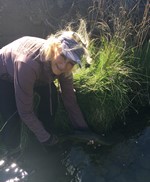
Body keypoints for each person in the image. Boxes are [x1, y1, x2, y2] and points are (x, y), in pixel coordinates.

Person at [0, 23, 92, 152]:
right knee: (13, 116)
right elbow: (25, 112)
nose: (63, 65)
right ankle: (11, 150)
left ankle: (45, 132)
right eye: (63, 56)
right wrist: (46, 138)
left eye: (70, 63)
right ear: (55, 48)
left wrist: (84, 132)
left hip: (39, 74)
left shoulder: (64, 68)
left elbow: (70, 100)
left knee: (52, 99)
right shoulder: (27, 64)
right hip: (5, 76)